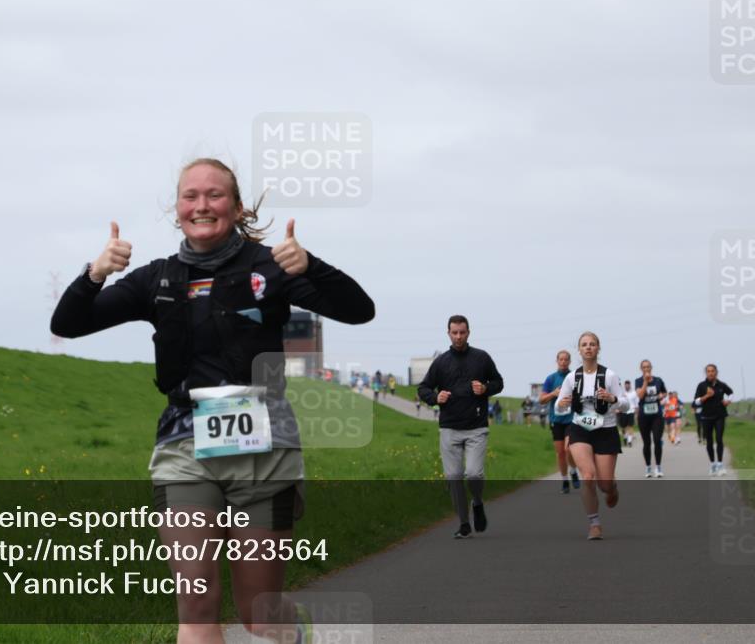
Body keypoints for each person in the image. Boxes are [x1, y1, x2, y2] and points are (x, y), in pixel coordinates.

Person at [50, 157, 374, 644]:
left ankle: (294, 628)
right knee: (196, 605)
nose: (202, 205)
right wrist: (94, 273)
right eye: (190, 196)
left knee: (258, 614)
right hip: (184, 451)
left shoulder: (270, 266)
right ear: (177, 208)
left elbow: (359, 310)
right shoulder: (158, 279)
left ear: (237, 207)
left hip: (266, 453)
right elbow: (67, 324)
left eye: (214, 195)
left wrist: (312, 266)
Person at [417, 315, 504, 539]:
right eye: (454, 333)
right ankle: (464, 524)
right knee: (454, 477)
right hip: (449, 428)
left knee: (474, 474)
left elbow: (498, 382)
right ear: (448, 333)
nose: (458, 336)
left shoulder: (481, 358)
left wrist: (485, 388)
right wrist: (435, 398)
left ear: (468, 333)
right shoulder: (441, 362)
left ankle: (477, 502)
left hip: (476, 427)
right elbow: (423, 388)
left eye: (462, 332)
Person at [555, 332, 626, 540]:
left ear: (598, 348)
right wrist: (562, 403)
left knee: (604, 485)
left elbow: (626, 405)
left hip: (606, 430)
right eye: (584, 344)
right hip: (580, 428)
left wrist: (612, 398)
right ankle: (594, 524)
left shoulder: (609, 376)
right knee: (587, 476)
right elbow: (559, 407)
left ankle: (612, 488)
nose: (588, 347)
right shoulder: (572, 377)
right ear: (579, 349)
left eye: (592, 344)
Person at [538, 350, 581, 494]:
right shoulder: (551, 379)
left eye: (566, 359)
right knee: (560, 453)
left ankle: (573, 471)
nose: (563, 362)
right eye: (560, 359)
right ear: (557, 361)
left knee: (569, 449)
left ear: (569, 361)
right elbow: (541, 400)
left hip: (571, 419)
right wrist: (553, 393)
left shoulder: (574, 377)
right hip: (556, 420)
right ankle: (564, 480)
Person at [694, 364, 734, 476]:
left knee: (719, 439)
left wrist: (728, 401)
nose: (710, 373)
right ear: (706, 373)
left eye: (712, 371)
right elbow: (696, 401)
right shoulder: (701, 385)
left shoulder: (721, 385)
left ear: (716, 372)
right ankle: (713, 464)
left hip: (720, 416)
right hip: (706, 417)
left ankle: (720, 464)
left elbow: (731, 393)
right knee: (709, 442)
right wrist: (706, 396)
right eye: (708, 371)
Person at [635, 359, 668, 478]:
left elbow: (665, 392)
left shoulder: (658, 380)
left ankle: (658, 467)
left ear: (651, 367)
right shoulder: (638, 381)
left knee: (657, 440)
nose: (646, 369)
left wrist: (662, 395)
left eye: (648, 367)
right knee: (647, 442)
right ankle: (648, 467)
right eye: (644, 367)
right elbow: (640, 395)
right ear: (641, 369)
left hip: (657, 415)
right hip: (644, 416)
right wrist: (645, 381)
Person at [620, 379, 638, 447]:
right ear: (624, 386)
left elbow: (636, 403)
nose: (627, 386)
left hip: (631, 411)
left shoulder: (634, 393)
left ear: (630, 385)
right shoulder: (622, 393)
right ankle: (625, 437)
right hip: (623, 411)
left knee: (630, 426)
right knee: (623, 427)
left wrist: (636, 411)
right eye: (626, 385)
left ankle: (629, 441)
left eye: (628, 385)